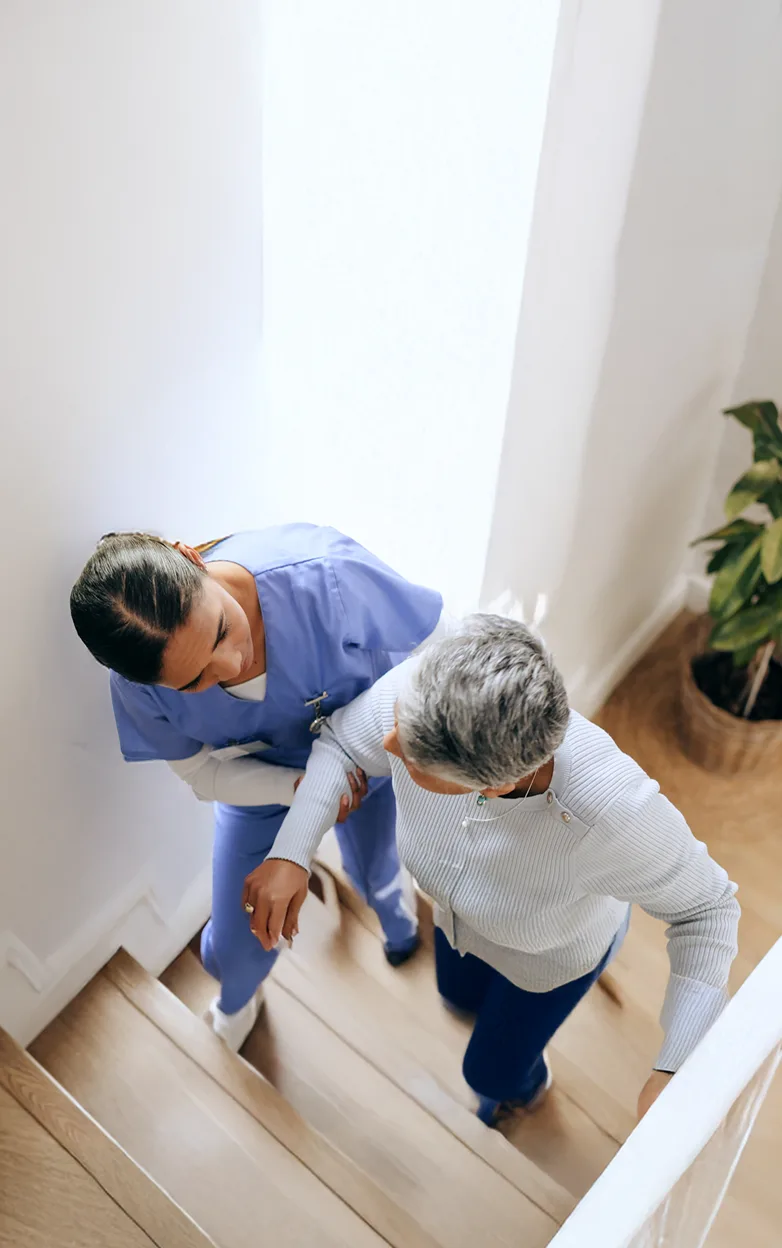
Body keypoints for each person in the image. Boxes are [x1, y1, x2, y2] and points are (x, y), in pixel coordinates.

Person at [245, 614, 740, 1124]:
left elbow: (709, 908)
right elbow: (346, 742)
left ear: (494, 787)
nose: (388, 746)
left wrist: (678, 1068)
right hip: (458, 923)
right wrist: (292, 851)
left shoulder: (614, 815)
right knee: (455, 994)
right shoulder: (431, 690)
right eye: (397, 723)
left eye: (412, 760)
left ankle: (525, 1089)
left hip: (549, 958)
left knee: (491, 1073)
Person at [70, 524, 443, 1050]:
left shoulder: (325, 576)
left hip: (375, 755)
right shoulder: (138, 688)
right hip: (265, 780)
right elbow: (202, 773)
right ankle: (237, 1001)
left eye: (220, 630)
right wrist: (301, 790)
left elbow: (435, 646)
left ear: (189, 558)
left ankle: (395, 914)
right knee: (235, 938)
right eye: (195, 680)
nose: (229, 667)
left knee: (375, 862)